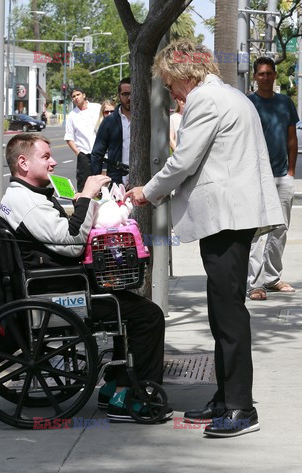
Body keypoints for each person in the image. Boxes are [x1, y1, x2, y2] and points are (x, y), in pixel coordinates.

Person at [125, 41, 284, 438]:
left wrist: (147, 191)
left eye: (170, 83)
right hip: (231, 217)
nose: (171, 92)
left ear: (184, 74)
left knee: (228, 315)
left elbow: (183, 161)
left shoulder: (206, 99)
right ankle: (226, 396)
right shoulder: (224, 94)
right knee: (221, 310)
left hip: (227, 218)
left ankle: (240, 408)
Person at [0, 133, 172, 424]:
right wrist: (88, 197)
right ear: (23, 162)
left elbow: (58, 232)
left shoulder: (22, 195)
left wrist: (80, 204)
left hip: (56, 281)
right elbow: (71, 240)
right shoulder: (26, 201)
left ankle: (115, 386)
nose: (53, 161)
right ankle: (136, 399)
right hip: (60, 290)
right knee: (148, 315)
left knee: (128, 302)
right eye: (45, 156)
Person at [247, 57, 299, 300]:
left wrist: (291, 172)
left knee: (280, 229)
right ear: (255, 77)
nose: (265, 77)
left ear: (275, 76)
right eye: (261, 74)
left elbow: (292, 138)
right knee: (257, 232)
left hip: (281, 177)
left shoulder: (285, 102)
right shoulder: (248, 103)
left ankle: (272, 277)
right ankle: (254, 283)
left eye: (269, 73)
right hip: (255, 177)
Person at [91, 78, 131, 185]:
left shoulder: (145, 121)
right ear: (119, 96)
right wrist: (97, 183)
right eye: (125, 94)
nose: (130, 97)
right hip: (117, 179)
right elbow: (97, 154)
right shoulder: (110, 121)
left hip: (141, 180)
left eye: (132, 93)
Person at [64, 86, 101, 192]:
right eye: (73, 96)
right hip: (84, 154)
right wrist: (78, 153)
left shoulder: (96, 108)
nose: (76, 98)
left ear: (84, 95)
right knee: (83, 185)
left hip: (99, 153)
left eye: (78, 95)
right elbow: (69, 137)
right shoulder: (72, 115)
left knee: (101, 183)